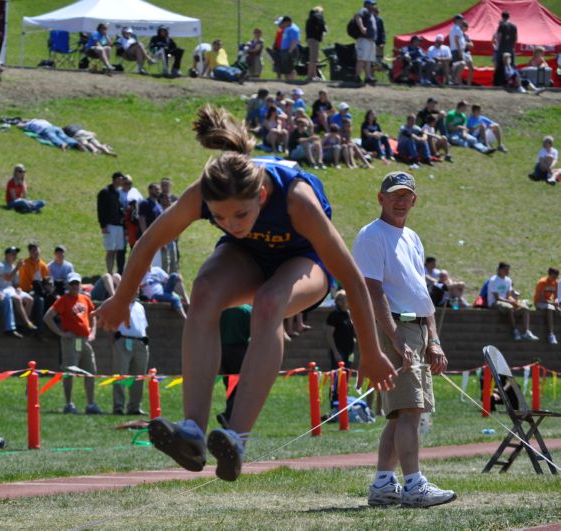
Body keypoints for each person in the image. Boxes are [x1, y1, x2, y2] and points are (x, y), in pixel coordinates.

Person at [95, 104, 397, 482]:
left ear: (262, 197)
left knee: (270, 303)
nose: (230, 224)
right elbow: (151, 240)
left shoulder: (295, 198)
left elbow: (352, 279)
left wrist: (370, 351)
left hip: (305, 262)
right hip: (249, 258)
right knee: (204, 292)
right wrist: (123, 297)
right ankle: (192, 430)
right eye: (219, 218)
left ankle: (236, 438)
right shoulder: (205, 194)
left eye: (240, 215)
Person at [352, 171, 456, 508]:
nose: (400, 200)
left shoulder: (412, 237)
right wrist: (395, 338)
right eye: (394, 194)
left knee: (401, 413)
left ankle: (384, 483)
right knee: (410, 410)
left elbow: (421, 293)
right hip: (394, 328)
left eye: (406, 195)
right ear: (380, 198)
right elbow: (372, 289)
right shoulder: (371, 235)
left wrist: (434, 338)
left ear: (414, 200)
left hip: (416, 327)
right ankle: (413, 485)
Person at [44, 272, 102, 415]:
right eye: (72, 283)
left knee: (90, 372)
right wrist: (61, 333)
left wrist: (93, 332)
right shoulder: (63, 300)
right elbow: (48, 317)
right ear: (68, 285)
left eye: (77, 283)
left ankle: (91, 404)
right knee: (69, 372)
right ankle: (69, 404)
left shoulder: (85, 299)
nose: (75, 286)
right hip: (70, 341)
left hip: (85, 340)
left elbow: (93, 316)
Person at [111, 298, 149, 415]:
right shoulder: (119, 303)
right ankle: (118, 407)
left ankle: (135, 407)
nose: (136, 289)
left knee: (139, 377)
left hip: (140, 343)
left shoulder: (140, 306)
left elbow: (144, 326)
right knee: (121, 375)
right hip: (123, 341)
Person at [216, 305, 251, 429]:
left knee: (229, 387)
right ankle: (229, 416)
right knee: (241, 388)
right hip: (240, 351)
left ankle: (229, 418)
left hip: (222, 350)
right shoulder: (247, 310)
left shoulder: (222, 309)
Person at [486, 262, 539, 342]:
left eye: (508, 270)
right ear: (499, 270)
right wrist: (511, 303)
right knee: (510, 307)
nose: (507, 271)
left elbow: (508, 296)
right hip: (494, 302)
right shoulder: (493, 280)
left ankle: (526, 332)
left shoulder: (508, 280)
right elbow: (497, 298)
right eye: (505, 269)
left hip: (505, 301)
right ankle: (515, 331)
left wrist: (515, 302)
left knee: (524, 308)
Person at [0, 246, 36, 331]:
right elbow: (8, 278)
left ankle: (21, 324)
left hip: (10, 289)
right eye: (13, 254)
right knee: (18, 299)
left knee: (30, 299)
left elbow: (15, 283)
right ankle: (27, 322)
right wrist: (17, 268)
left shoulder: (14, 267)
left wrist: (18, 288)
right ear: (6, 255)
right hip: (0, 289)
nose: (15, 256)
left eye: (16, 254)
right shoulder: (0, 266)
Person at [97, 172, 124, 274]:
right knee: (110, 250)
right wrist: (103, 225)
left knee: (117, 250)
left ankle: (115, 272)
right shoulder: (105, 192)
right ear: (116, 179)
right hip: (110, 224)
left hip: (118, 225)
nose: (122, 181)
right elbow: (100, 209)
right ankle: (109, 272)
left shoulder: (118, 193)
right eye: (121, 179)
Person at [325, 289, 355, 372]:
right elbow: (329, 335)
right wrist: (335, 352)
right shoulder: (334, 315)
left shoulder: (349, 314)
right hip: (339, 349)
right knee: (337, 373)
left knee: (347, 372)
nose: (344, 301)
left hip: (350, 350)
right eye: (342, 299)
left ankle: (345, 385)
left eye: (346, 298)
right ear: (337, 301)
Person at [354, 0, 378, 85]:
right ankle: (357, 76)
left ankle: (368, 77)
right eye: (372, 4)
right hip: (364, 39)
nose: (374, 5)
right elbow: (357, 16)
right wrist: (362, 27)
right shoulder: (363, 10)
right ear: (367, 4)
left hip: (370, 40)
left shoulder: (370, 13)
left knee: (368, 60)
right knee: (361, 59)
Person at [534, 268, 560, 345]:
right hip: (539, 303)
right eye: (554, 276)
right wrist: (552, 304)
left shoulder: (555, 283)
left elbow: (556, 297)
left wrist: (556, 303)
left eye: (556, 277)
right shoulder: (542, 282)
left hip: (549, 303)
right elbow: (540, 298)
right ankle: (551, 334)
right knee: (550, 308)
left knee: (557, 309)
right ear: (550, 274)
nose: (555, 278)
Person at [271, 15, 299, 81]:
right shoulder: (287, 28)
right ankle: (287, 80)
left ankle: (291, 81)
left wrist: (290, 51)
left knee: (289, 67)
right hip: (284, 50)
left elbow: (294, 41)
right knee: (285, 67)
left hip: (289, 50)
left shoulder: (293, 29)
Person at [449, 15, 473, 86]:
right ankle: (455, 81)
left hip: (455, 49)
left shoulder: (453, 28)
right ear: (457, 20)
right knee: (460, 64)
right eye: (461, 20)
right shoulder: (457, 29)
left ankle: (455, 81)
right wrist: (460, 52)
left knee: (458, 65)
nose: (462, 21)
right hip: (457, 50)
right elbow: (457, 40)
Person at [305, 7, 327, 81]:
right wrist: (324, 29)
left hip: (309, 39)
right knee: (313, 58)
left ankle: (314, 75)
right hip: (314, 39)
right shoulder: (318, 16)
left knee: (314, 58)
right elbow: (322, 25)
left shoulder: (310, 18)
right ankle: (310, 76)